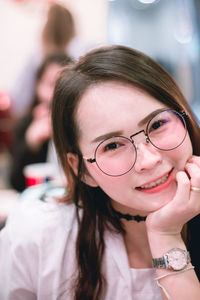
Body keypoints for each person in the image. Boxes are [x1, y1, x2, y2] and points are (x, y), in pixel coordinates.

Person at [0, 45, 200, 300]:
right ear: (81, 170)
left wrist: (166, 237)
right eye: (113, 145)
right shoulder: (38, 238)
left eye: (158, 123)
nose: (148, 160)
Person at [9, 52, 72, 192]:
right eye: (51, 84)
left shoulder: (78, 123)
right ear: (38, 86)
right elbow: (16, 183)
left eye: (62, 85)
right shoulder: (26, 123)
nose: (56, 92)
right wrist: (31, 142)